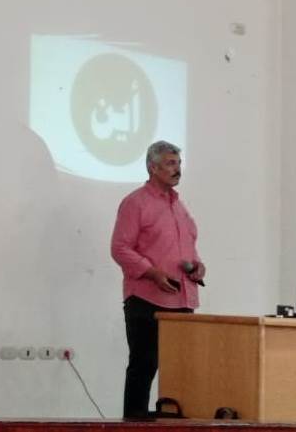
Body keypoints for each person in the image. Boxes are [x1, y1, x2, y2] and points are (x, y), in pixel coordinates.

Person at [110, 140, 206, 419]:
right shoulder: (135, 203)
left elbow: (187, 249)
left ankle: (175, 422)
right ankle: (134, 422)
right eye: (170, 163)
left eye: (179, 163)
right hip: (147, 300)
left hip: (182, 300)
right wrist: (152, 272)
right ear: (153, 167)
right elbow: (120, 248)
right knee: (144, 365)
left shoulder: (179, 206)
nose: (178, 169)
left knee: (181, 369)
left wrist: (198, 267)